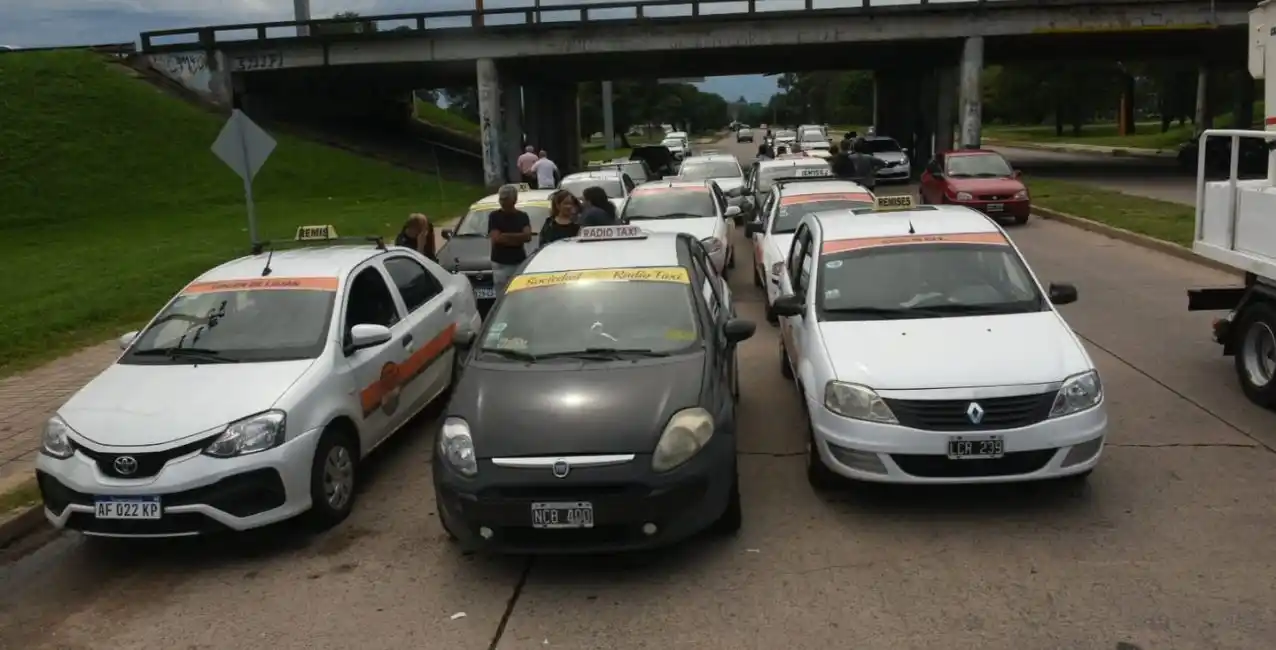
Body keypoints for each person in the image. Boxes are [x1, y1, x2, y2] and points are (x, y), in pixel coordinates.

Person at [488, 184, 532, 293]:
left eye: (505, 199)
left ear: (514, 200)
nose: (502, 202)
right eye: (501, 199)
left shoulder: (522, 216)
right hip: (500, 262)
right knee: (501, 293)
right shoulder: (494, 216)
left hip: (518, 261)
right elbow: (496, 239)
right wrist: (517, 238)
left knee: (518, 292)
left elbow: (527, 236)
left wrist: (505, 236)